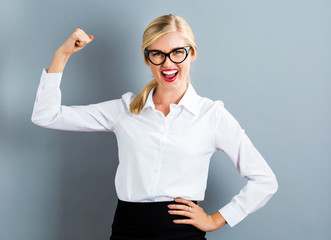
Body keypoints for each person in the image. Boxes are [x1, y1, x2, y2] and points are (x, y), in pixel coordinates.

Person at [32, 14, 278, 240]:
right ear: (147, 58)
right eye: (157, 54)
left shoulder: (211, 115)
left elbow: (265, 181)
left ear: (191, 53)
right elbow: (47, 116)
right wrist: (62, 55)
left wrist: (215, 220)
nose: (167, 63)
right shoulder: (125, 109)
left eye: (177, 52)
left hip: (183, 234)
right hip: (126, 231)